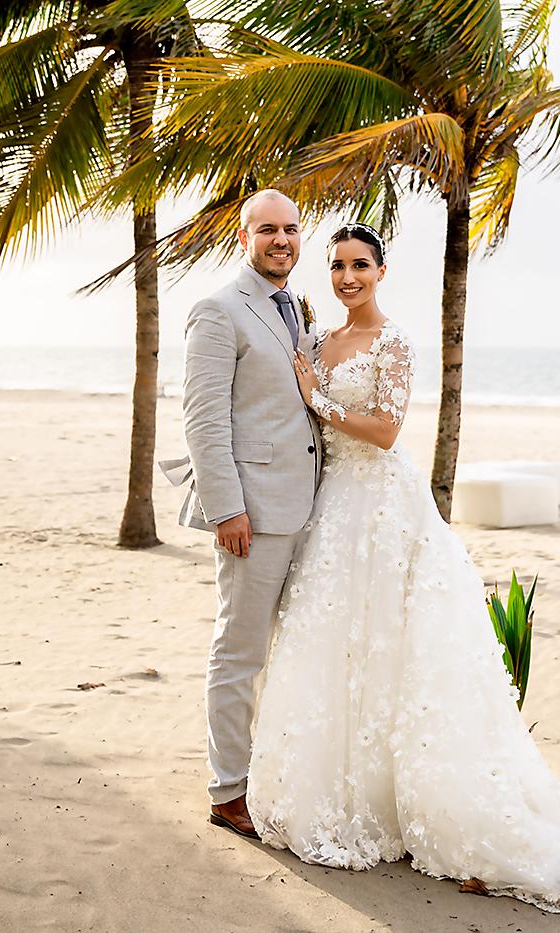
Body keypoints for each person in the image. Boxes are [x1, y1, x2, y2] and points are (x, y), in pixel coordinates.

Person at [246, 223, 560, 919]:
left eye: (360, 265)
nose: (348, 277)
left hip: (385, 506)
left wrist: (318, 399)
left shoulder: (393, 342)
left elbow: (386, 429)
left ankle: (415, 805)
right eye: (337, 266)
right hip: (332, 509)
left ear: (382, 271)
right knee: (336, 645)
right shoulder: (316, 341)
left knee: (393, 647)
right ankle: (343, 791)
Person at [164, 189, 322, 840]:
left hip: (306, 506)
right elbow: (203, 420)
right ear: (244, 236)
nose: (280, 239)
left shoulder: (296, 309)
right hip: (251, 515)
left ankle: (270, 774)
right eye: (267, 230)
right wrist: (226, 508)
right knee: (239, 652)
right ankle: (228, 792)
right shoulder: (217, 310)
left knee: (289, 653)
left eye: (290, 229)